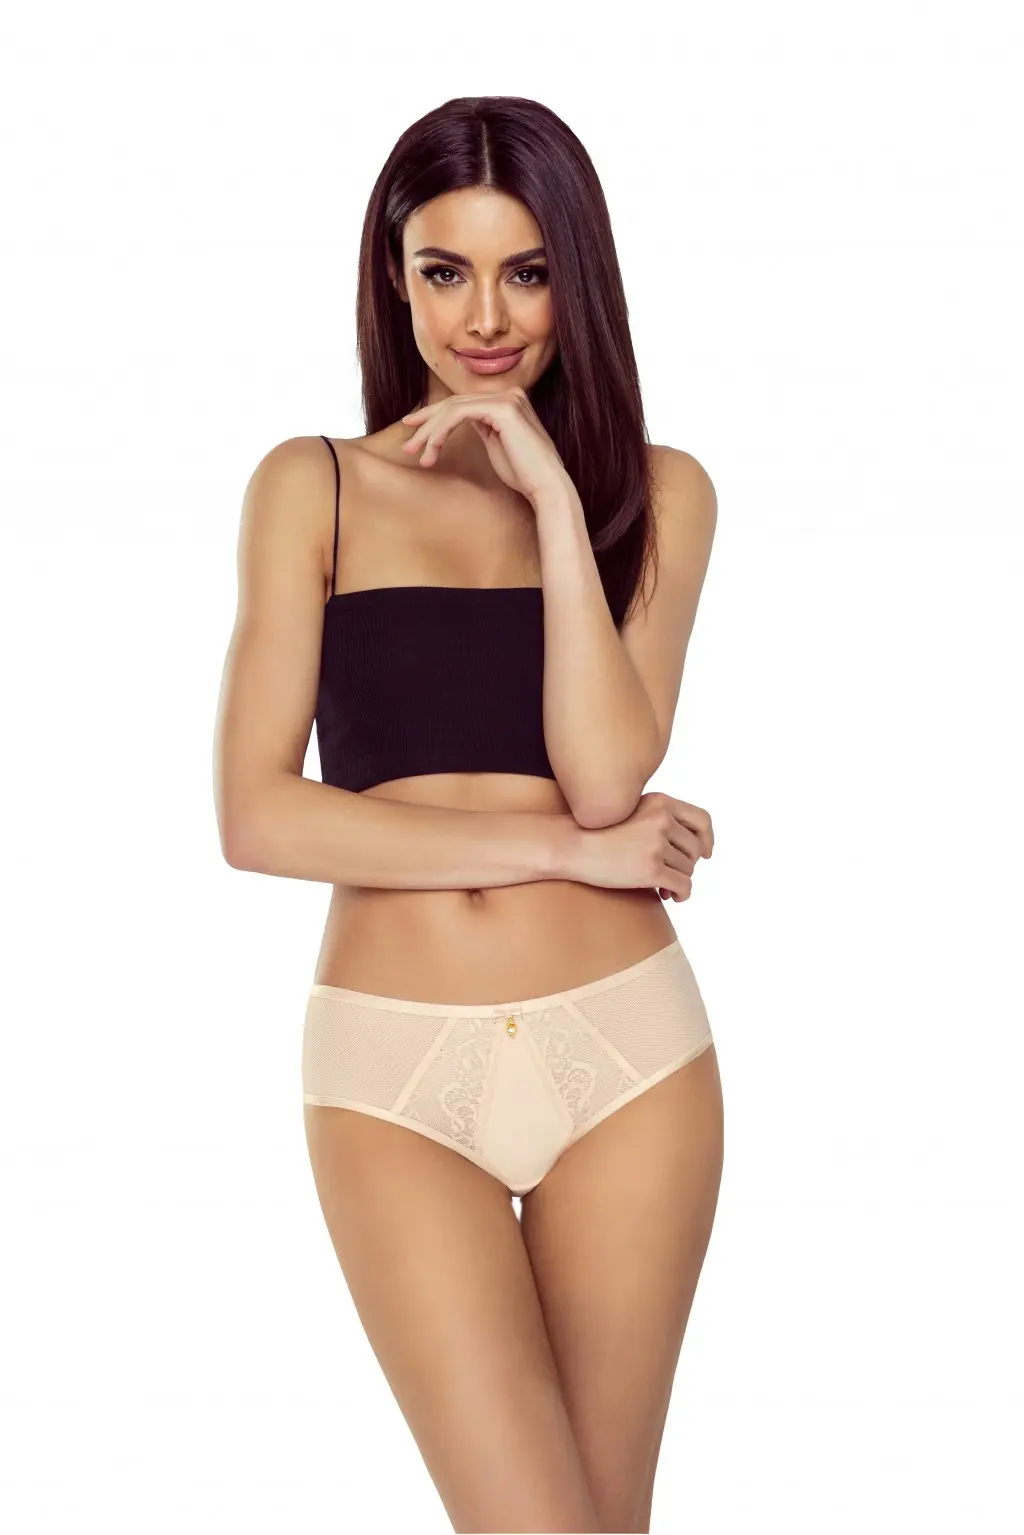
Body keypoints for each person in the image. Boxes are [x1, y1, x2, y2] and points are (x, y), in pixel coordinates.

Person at [213, 94, 724, 1535]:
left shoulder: (658, 496)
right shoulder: (314, 485)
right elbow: (259, 817)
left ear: (579, 277)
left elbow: (609, 774)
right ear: (396, 277)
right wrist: (568, 849)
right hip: (394, 1073)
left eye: (527, 272)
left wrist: (555, 500)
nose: (484, 319)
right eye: (445, 271)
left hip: (629, 1061)